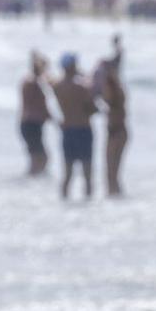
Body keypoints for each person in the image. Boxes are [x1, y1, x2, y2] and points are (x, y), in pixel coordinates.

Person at [50, 53, 98, 200]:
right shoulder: (82, 87)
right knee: (87, 174)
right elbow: (93, 108)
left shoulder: (57, 87)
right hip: (83, 130)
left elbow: (47, 77)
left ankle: (63, 203)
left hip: (68, 130)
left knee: (67, 173)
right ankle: (88, 203)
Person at [97, 39, 128, 198]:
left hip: (116, 131)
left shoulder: (113, 88)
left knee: (111, 172)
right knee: (112, 173)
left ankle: (114, 199)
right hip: (118, 130)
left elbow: (106, 101)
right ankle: (116, 199)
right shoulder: (116, 85)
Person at [18, 52, 51, 177]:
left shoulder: (29, 81)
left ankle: (33, 182)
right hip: (31, 123)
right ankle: (33, 182)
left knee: (37, 156)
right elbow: (40, 105)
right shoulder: (33, 83)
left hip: (30, 123)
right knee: (39, 157)